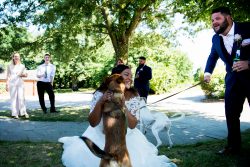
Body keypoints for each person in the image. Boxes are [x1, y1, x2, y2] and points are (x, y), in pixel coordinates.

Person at [58, 64, 176, 167]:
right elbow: (93, 123)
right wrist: (101, 102)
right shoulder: (100, 93)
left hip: (127, 138)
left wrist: (124, 106)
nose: (130, 78)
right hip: (100, 136)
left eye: (131, 75)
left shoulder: (134, 95)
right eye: (126, 75)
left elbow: (133, 125)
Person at [204, 6, 250, 155]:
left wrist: (249, 63)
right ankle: (233, 146)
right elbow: (213, 56)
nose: (214, 22)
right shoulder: (215, 38)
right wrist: (207, 72)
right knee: (231, 114)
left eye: (217, 18)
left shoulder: (247, 27)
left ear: (229, 18)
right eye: (212, 20)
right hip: (232, 81)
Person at [6, 52, 29, 119]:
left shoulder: (22, 66)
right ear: (13, 57)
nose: (16, 57)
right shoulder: (9, 66)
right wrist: (6, 84)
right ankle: (15, 113)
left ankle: (23, 112)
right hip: (12, 83)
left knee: (21, 98)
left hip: (20, 83)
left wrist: (21, 74)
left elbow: (26, 75)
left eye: (18, 56)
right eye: (15, 56)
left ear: (19, 58)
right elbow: (7, 76)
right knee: (13, 99)